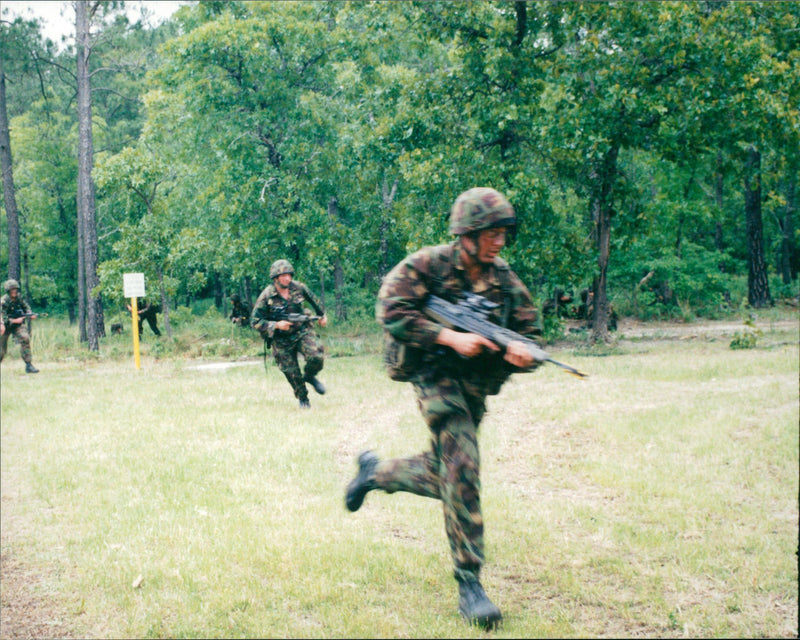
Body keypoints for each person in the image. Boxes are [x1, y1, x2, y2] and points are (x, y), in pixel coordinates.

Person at [345, 187, 541, 629]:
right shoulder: (428, 264)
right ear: (466, 234)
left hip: (474, 388)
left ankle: (374, 474)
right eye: (491, 233)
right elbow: (389, 307)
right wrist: (449, 337)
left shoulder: (504, 279)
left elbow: (531, 332)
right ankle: (470, 583)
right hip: (433, 377)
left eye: (503, 233)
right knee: (464, 468)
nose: (500, 241)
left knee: (448, 472)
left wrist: (523, 354)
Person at [251, 259, 328, 409]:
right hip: (280, 339)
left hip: (302, 331)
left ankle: (310, 376)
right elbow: (254, 321)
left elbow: (315, 301)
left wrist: (322, 315)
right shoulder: (267, 296)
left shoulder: (299, 287)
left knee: (316, 356)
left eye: (289, 275)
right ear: (275, 278)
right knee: (291, 372)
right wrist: (276, 325)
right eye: (284, 276)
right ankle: (303, 399)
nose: (288, 278)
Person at [0, 279, 40, 373]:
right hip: (4, 326)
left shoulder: (19, 298)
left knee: (25, 338)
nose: (14, 291)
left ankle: (28, 365)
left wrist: (30, 314)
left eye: (15, 289)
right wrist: (14, 320)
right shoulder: (3, 301)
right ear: (8, 290)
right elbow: (2, 316)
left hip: (17, 325)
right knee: (1, 349)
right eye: (12, 289)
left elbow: (26, 307)